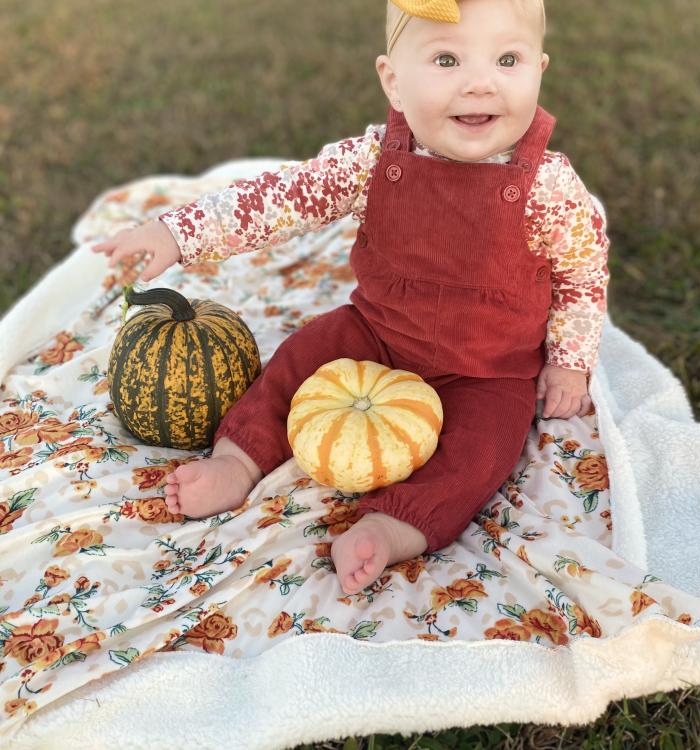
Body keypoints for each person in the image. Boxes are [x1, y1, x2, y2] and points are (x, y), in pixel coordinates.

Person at [91, 0, 609, 596]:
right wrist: (178, 234)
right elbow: (280, 198)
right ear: (392, 80)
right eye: (447, 58)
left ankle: (392, 528)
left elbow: (581, 272)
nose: (480, 83)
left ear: (539, 70)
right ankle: (240, 458)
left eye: (508, 60)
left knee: (483, 453)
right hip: (377, 333)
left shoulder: (548, 185)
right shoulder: (370, 162)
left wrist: (570, 359)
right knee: (300, 356)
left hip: (487, 369)